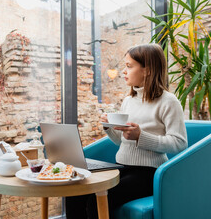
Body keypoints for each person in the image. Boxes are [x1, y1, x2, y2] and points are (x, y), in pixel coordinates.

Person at [66, 44, 188, 219]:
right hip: (122, 167)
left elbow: (180, 143)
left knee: (96, 201)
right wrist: (109, 129)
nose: (124, 71)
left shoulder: (168, 101)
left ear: (147, 70)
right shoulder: (128, 100)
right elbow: (123, 141)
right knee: (75, 192)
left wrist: (141, 136)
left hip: (148, 173)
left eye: (129, 66)